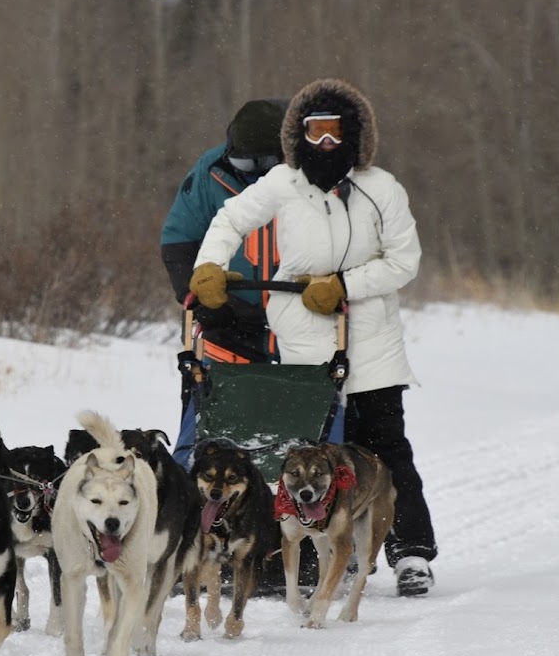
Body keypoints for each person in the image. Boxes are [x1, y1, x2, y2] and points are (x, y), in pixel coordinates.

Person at [189, 76, 438, 597]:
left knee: (383, 448)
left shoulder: (382, 188)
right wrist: (210, 267)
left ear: (354, 135)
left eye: (335, 132)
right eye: (314, 131)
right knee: (310, 453)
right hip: (303, 337)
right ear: (297, 136)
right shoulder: (284, 182)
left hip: (368, 336)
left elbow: (403, 261)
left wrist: (345, 283)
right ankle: (309, 553)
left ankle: (410, 552)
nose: (325, 143)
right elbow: (230, 220)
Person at [160, 98, 288, 364]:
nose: (254, 175)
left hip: (298, 324)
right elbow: (179, 240)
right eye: (245, 165)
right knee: (212, 401)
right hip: (229, 325)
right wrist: (197, 299)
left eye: (265, 163)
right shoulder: (210, 172)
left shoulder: (306, 177)